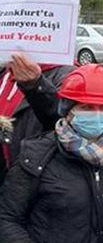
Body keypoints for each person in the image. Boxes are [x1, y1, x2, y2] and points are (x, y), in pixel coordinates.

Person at [0, 64, 103, 242]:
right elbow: (8, 218)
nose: (97, 115)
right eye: (87, 108)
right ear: (67, 110)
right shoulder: (37, 155)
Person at [0, 54, 73, 184]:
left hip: (30, 177)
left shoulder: (67, 75)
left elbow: (61, 122)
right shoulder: (5, 72)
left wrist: (35, 85)